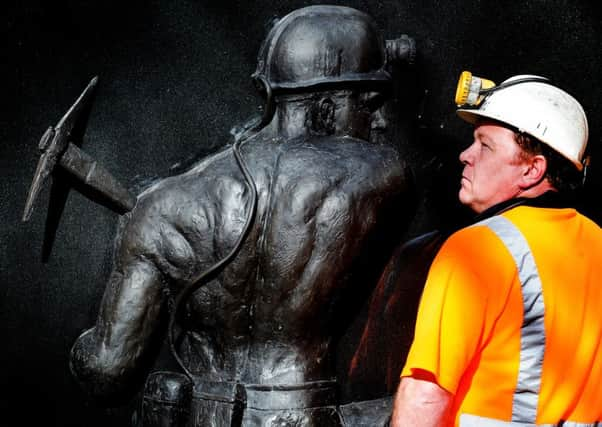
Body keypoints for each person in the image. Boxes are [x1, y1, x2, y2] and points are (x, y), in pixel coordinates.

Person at [69, 5, 416, 426]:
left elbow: (108, 373)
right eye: (369, 103)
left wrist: (87, 345)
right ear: (324, 107)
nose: (379, 120)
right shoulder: (381, 176)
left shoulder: (161, 208)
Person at [391, 71, 602, 426]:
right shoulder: (597, 243)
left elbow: (426, 395)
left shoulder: (476, 250)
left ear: (532, 170)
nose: (465, 155)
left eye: (485, 145)